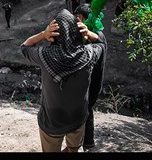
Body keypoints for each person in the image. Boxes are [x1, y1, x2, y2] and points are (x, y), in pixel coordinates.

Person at [20, 9, 106, 152]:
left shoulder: (45, 55)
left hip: (51, 122)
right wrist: (88, 33)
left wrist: (43, 34)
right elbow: (102, 44)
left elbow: (24, 47)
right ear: (77, 31)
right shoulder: (88, 55)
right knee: (74, 149)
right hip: (77, 119)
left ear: (55, 34)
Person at [74, 4, 108, 150]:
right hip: (90, 81)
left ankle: (84, 144)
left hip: (92, 82)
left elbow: (95, 47)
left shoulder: (97, 36)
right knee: (87, 111)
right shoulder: (95, 34)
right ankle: (87, 143)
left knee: (85, 111)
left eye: (79, 18)